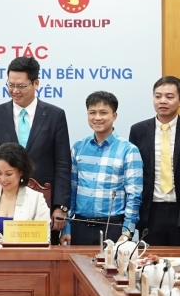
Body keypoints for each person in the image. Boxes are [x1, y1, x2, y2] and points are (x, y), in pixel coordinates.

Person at [0, 56, 70, 244]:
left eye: (21, 86)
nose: (15, 91)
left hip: (43, 203)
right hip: (4, 203)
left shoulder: (55, 115)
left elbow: (63, 163)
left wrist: (60, 206)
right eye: (11, 85)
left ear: (36, 83)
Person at [61, 92, 143, 245]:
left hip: (113, 227)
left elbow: (134, 195)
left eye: (103, 113)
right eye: (92, 113)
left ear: (114, 116)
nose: (97, 118)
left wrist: (127, 231)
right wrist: (67, 226)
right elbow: (71, 189)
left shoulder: (128, 150)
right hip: (80, 226)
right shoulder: (78, 147)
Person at [129, 77, 180, 245]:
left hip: (177, 209)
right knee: (150, 258)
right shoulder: (138, 130)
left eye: (169, 97)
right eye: (158, 96)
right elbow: (133, 172)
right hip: (151, 212)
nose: (162, 101)